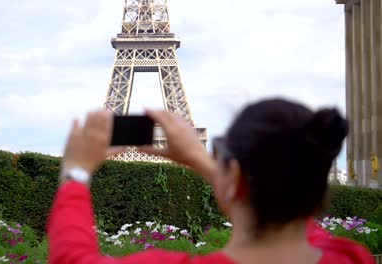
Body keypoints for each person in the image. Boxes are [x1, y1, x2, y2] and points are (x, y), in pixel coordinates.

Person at [48, 98, 375, 264]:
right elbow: (300, 226)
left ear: (233, 177)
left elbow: (73, 258)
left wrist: (76, 170)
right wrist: (213, 166)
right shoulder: (349, 256)